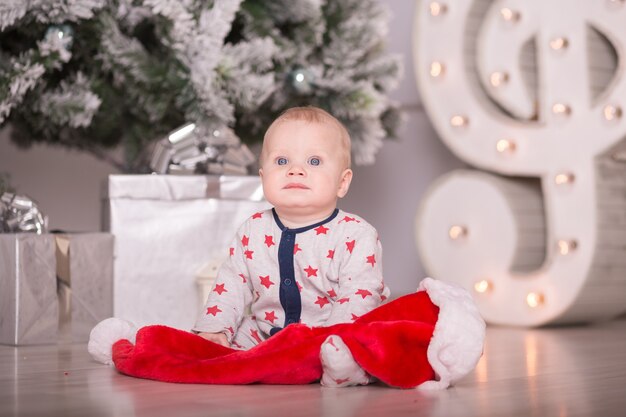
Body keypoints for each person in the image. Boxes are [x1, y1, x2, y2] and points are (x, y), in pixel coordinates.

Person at [193, 107, 390, 377]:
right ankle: (235, 356)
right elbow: (232, 284)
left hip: (329, 335)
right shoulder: (253, 230)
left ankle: (339, 365)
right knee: (225, 342)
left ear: (342, 183)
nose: (296, 170)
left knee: (369, 343)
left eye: (315, 161)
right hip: (267, 335)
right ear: (263, 179)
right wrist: (215, 329)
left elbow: (359, 296)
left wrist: (334, 340)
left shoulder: (355, 235)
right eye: (282, 161)